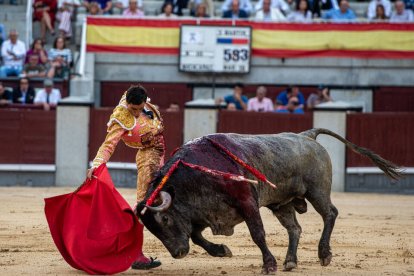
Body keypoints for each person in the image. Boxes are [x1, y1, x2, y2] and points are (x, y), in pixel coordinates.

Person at [87, 85, 164, 270]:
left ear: (145, 102)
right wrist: (96, 165)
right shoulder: (121, 117)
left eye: (139, 109)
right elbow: (108, 145)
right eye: (132, 109)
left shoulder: (145, 103)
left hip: (160, 155)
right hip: (148, 156)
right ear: (127, 104)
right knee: (143, 204)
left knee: (160, 199)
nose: (136, 113)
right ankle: (134, 254)